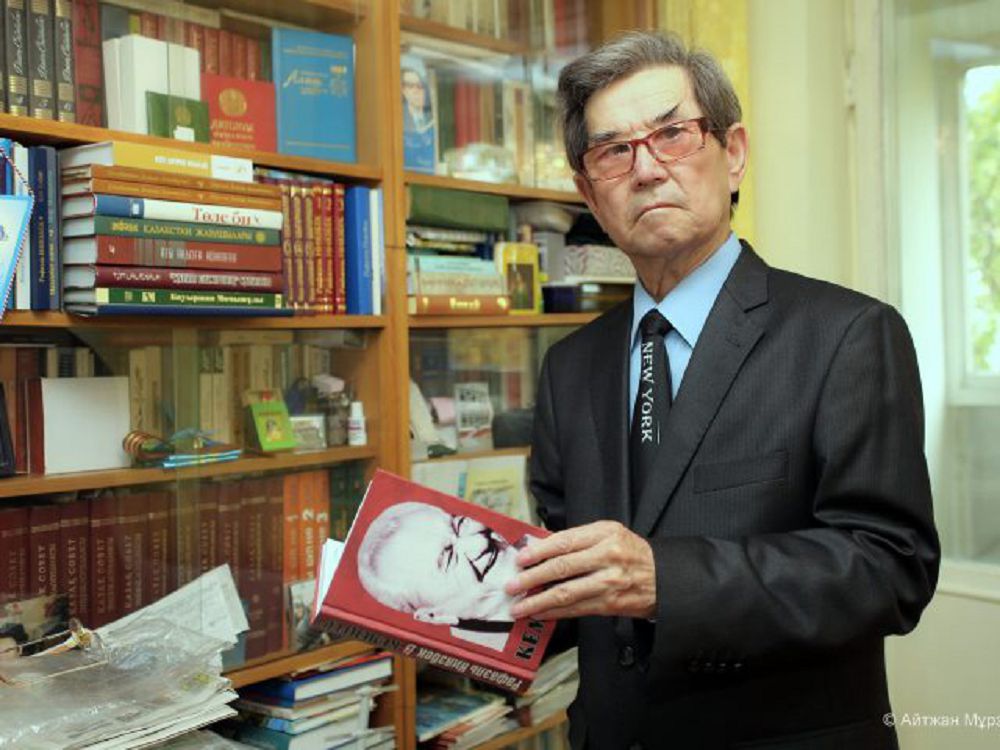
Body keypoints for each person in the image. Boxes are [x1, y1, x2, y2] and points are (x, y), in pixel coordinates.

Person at [504, 32, 940, 749]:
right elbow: (570, 580)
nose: (646, 170)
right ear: (589, 194)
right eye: (614, 151)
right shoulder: (569, 367)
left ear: (733, 153)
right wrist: (447, 612)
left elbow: (891, 568)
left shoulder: (847, 335)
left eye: (672, 134)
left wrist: (666, 581)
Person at [357, 501, 530, 651]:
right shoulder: (495, 659)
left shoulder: (536, 542)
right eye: (448, 559)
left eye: (459, 525)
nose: (479, 542)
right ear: (433, 615)